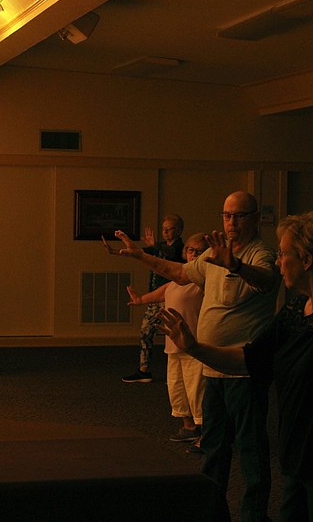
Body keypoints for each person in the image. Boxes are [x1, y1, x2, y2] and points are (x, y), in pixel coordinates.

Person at [157, 211, 313, 522]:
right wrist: (194, 348)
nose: (278, 262)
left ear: (307, 260)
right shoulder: (294, 311)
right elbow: (248, 359)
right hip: (300, 455)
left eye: (283, 254)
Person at [104, 191, 279, 522]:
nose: (231, 222)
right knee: (213, 448)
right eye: (227, 215)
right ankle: (211, 513)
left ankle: (255, 516)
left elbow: (267, 281)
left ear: (255, 218)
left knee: (252, 451)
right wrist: (141, 256)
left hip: (244, 371)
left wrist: (237, 266)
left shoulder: (261, 254)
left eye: (239, 216)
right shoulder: (213, 254)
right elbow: (181, 273)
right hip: (211, 368)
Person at [126, 233, 206, 443]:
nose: (193, 254)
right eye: (190, 250)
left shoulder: (204, 279)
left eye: (199, 251)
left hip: (194, 345)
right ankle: (188, 426)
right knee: (177, 387)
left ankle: (204, 432)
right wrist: (141, 299)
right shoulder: (178, 278)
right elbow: (164, 291)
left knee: (196, 389)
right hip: (173, 344)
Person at [120, 213, 185, 383]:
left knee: (174, 335)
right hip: (156, 297)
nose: (166, 233)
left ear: (178, 231)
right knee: (146, 332)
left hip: (171, 297)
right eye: (164, 229)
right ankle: (144, 370)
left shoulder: (180, 248)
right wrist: (119, 250)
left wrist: (155, 246)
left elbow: (170, 252)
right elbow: (140, 252)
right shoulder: (160, 247)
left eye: (169, 230)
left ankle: (179, 372)